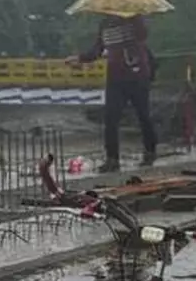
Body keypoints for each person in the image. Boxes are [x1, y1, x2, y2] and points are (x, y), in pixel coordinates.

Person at [68, 14, 158, 173]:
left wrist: (132, 20)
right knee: (110, 118)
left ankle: (150, 152)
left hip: (137, 75)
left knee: (143, 115)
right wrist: (80, 58)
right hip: (115, 78)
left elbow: (142, 36)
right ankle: (112, 159)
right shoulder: (105, 24)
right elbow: (98, 49)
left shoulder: (134, 19)